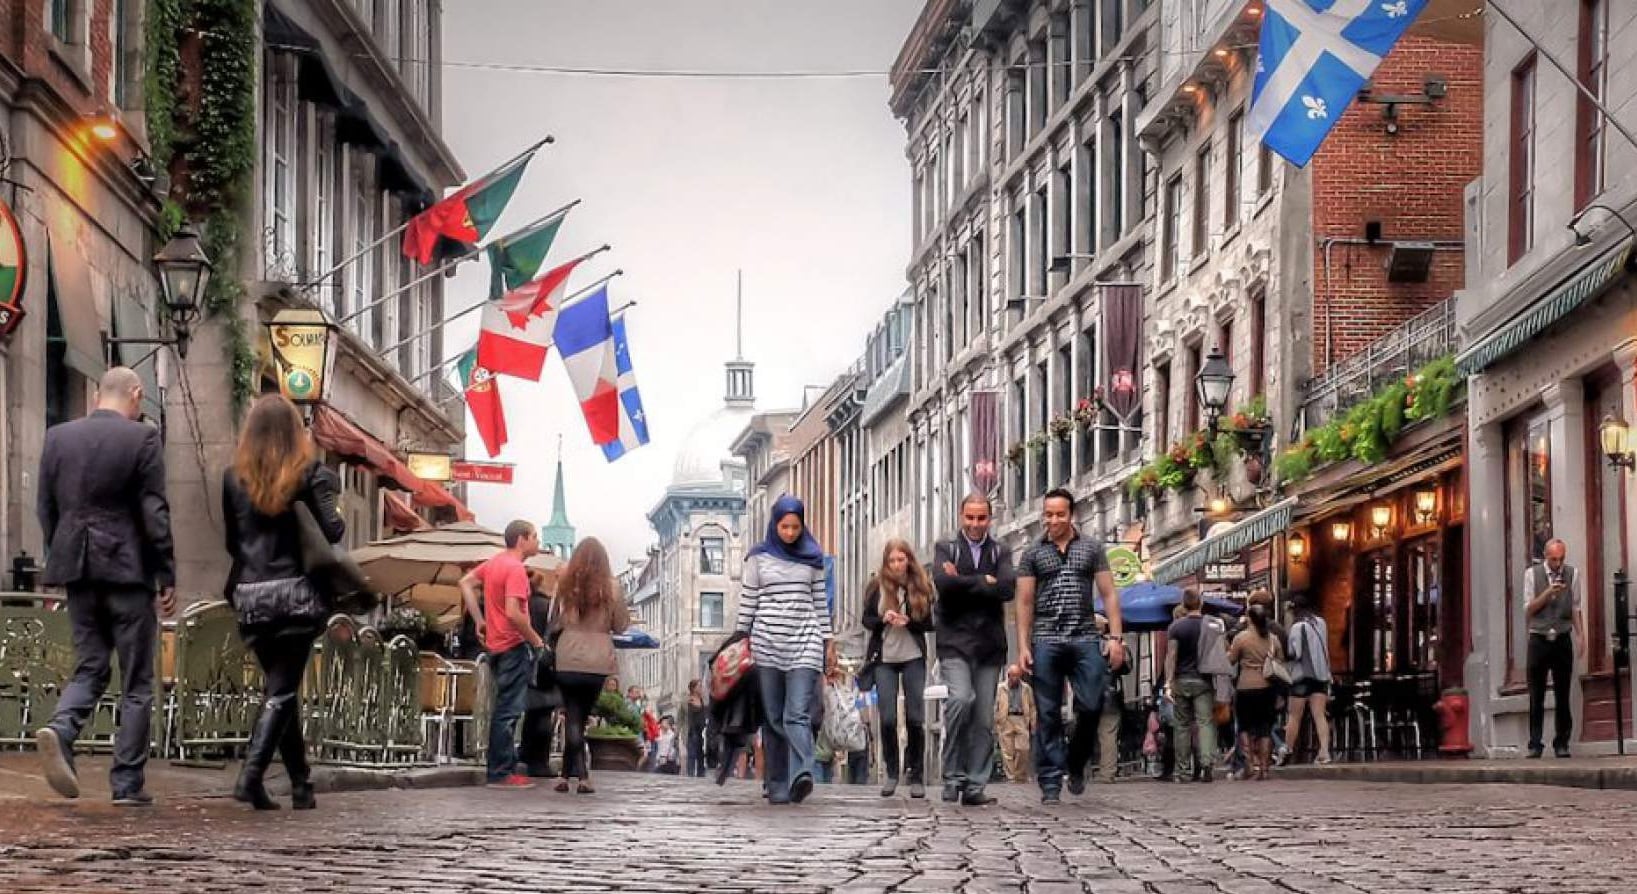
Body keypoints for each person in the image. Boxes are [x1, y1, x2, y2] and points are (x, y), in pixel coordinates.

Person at [34, 367, 176, 807]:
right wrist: (165, 573)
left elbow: (45, 506)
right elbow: (154, 512)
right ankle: (127, 784)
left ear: (97, 394)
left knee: (90, 665)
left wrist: (60, 556)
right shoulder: (142, 439)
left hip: (76, 565)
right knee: (136, 680)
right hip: (127, 570)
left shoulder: (58, 437)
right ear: (136, 395)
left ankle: (61, 728)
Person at [214, 395, 344, 810]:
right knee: (283, 689)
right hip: (296, 595)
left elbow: (234, 542)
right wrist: (327, 493)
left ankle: (301, 785)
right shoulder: (308, 473)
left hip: (251, 594)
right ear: (295, 432)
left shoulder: (233, 477)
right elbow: (334, 531)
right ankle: (250, 777)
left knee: (280, 689)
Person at [1015, 488, 1125, 804]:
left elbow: (1109, 594)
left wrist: (1115, 638)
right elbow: (1024, 603)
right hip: (1046, 639)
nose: (1053, 520)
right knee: (1047, 713)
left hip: (1085, 637)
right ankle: (1050, 782)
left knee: (1093, 704)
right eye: (1048, 514)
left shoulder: (1091, 548)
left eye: (1059, 514)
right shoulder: (1032, 553)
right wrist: (1023, 646)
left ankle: (1076, 763)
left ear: (1071, 514)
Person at [735, 494, 836, 805]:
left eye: (795, 526)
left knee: (797, 714)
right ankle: (777, 782)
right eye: (784, 526)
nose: (790, 533)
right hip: (766, 646)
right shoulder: (758, 558)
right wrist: (740, 640)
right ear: (774, 525)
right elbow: (748, 601)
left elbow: (821, 603)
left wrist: (828, 642)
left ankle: (802, 773)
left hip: (804, 643)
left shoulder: (813, 558)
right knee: (774, 717)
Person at [931, 493, 1016, 806]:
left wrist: (964, 580)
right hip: (954, 641)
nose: (975, 524)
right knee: (960, 699)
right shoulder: (946, 547)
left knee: (982, 718)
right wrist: (984, 582)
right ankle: (952, 776)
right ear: (961, 516)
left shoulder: (1001, 550)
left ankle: (975, 784)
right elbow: (944, 584)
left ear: (989, 519)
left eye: (981, 518)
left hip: (989, 644)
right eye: (970, 517)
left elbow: (1007, 587)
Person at [459, 520, 546, 789]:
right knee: (508, 712)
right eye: (534, 537)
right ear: (522, 539)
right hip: (513, 645)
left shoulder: (495, 562)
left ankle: (501, 769)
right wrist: (537, 641)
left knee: (503, 708)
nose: (538, 543)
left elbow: (465, 583)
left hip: (495, 645)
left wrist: (479, 619)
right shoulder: (516, 569)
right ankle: (500, 772)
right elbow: (514, 612)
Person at [549, 536, 631, 794]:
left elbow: (553, 620)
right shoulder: (612, 587)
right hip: (597, 659)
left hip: (568, 656)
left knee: (574, 715)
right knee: (579, 717)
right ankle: (580, 776)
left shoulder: (564, 584)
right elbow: (621, 625)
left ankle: (566, 776)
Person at [861, 538, 934, 798]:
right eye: (891, 560)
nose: (896, 565)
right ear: (886, 562)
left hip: (913, 655)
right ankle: (892, 771)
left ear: (909, 560)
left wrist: (910, 621)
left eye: (901, 559)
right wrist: (884, 619)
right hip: (885, 658)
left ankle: (916, 774)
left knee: (915, 717)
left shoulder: (921, 584)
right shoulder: (876, 586)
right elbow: (866, 620)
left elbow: (930, 624)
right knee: (889, 717)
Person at [1524, 539, 1586, 759]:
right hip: (1538, 638)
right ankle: (1535, 743)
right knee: (1536, 694)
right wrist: (1548, 593)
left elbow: (1576, 608)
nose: (1558, 564)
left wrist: (1581, 636)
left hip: (1561, 637)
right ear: (1545, 556)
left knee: (1562, 692)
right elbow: (1528, 609)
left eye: (1561, 559)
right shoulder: (1532, 574)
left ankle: (1562, 742)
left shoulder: (1573, 574)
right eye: (1553, 559)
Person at [1164, 588, 1218, 784]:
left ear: (1184, 605)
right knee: (1205, 723)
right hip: (1204, 680)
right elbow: (1221, 652)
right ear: (1200, 603)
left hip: (1182, 680)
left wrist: (1169, 681)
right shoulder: (1211, 625)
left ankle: (1183, 770)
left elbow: (1171, 656)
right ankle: (1206, 764)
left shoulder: (1176, 627)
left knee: (1182, 726)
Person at [1229, 604, 1284, 780]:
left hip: (1245, 686)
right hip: (1267, 688)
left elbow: (1230, 660)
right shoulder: (1273, 639)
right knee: (1265, 729)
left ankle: (1249, 764)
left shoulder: (1241, 638)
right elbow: (1280, 661)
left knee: (1244, 727)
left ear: (1249, 618)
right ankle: (1265, 769)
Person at [519, 569, 561, 778]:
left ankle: (524, 754)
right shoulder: (548, 606)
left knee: (525, 712)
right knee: (543, 711)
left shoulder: (520, 604)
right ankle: (539, 760)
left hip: (521, 659)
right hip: (545, 662)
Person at [1282, 594, 1333, 765]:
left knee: (1294, 716)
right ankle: (1324, 751)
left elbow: (1294, 653)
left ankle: (1287, 749)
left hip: (1301, 676)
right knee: (1319, 714)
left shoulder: (1297, 627)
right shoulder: (1321, 623)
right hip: (1320, 675)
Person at [993, 664, 1035, 783]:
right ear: (1008, 676)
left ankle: (1020, 774)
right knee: (1007, 751)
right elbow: (995, 706)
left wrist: (1033, 721)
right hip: (1006, 718)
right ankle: (1011, 777)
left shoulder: (1026, 688)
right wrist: (997, 721)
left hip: (1021, 718)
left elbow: (1032, 706)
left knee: (1023, 749)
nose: (1016, 679)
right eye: (1013, 676)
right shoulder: (1001, 688)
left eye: (1018, 676)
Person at [685, 680, 709, 778]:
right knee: (692, 752)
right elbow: (683, 717)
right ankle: (690, 772)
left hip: (701, 730)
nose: (701, 688)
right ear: (693, 688)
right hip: (692, 729)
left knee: (700, 753)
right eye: (699, 686)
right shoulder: (687, 701)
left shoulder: (703, 700)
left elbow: (706, 714)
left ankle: (701, 773)